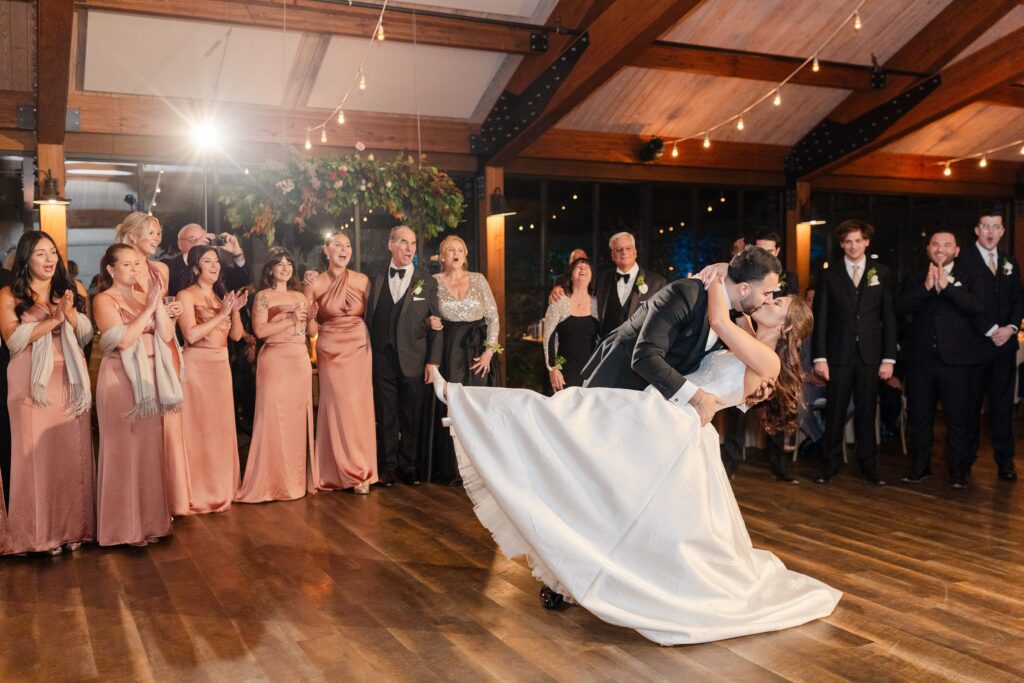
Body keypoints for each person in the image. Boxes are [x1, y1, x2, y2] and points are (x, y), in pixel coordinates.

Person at [431, 268, 839, 645]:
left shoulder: (764, 357)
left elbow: (717, 319)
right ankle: (470, 405)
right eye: (771, 295)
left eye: (778, 303)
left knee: (570, 419)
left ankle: (468, 403)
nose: (770, 300)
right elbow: (729, 317)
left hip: (674, 425)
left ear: (786, 326)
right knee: (587, 452)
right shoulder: (749, 330)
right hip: (666, 415)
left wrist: (714, 279)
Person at [581, 246, 781, 427]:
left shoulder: (730, 315)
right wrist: (697, 398)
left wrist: (754, 388)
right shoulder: (686, 294)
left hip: (652, 407)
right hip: (615, 390)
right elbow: (645, 357)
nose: (769, 300)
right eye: (767, 293)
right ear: (744, 289)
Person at [0, 231, 94, 555]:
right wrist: (52, 321)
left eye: (52, 252)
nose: (49, 259)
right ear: (26, 258)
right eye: (41, 253)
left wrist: (68, 315)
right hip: (30, 383)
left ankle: (72, 531)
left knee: (70, 457)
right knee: (34, 460)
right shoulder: (9, 295)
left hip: (69, 378)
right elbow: (13, 340)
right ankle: (36, 536)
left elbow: (85, 335)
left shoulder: (72, 290)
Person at [93, 244, 180, 546]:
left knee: (147, 451)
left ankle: (151, 522)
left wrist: (158, 305)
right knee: (123, 451)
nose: (134, 269)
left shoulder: (146, 296)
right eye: (127, 264)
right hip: (120, 378)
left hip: (149, 377)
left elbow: (167, 336)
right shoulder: (104, 300)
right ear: (111, 269)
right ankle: (123, 528)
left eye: (137, 264)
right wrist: (148, 310)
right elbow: (125, 339)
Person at [115, 211, 190, 516]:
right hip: (135, 351)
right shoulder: (121, 269)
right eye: (151, 232)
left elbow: (164, 308)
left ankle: (170, 499)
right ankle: (142, 503)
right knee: (142, 428)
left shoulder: (160, 269)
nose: (157, 239)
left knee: (169, 425)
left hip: (165, 344)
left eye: (159, 233)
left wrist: (175, 309)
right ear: (133, 236)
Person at [812, 219, 897, 485]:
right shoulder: (830, 274)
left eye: (858, 241)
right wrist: (820, 357)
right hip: (837, 355)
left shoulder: (881, 273)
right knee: (836, 411)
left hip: (871, 355)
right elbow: (821, 318)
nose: (853, 246)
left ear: (866, 242)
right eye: (848, 241)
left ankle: (868, 465)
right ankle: (830, 464)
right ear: (841, 245)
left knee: (867, 411)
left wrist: (889, 357)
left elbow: (889, 318)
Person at [896, 231, 983, 487]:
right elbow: (899, 307)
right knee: (920, 417)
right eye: (935, 245)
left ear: (956, 251)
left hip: (956, 362)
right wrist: (925, 289)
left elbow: (978, 306)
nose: (940, 249)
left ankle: (957, 472)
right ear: (928, 249)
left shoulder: (969, 276)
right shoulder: (915, 276)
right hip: (921, 361)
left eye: (947, 245)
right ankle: (919, 468)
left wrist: (948, 289)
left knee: (957, 419)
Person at [237, 248, 317, 503]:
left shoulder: (300, 296)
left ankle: (294, 482)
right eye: (280, 264)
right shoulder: (262, 296)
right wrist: (291, 319)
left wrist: (312, 318)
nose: (285, 268)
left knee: (296, 423)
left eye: (289, 263)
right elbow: (260, 331)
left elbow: (310, 331)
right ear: (270, 269)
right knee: (272, 419)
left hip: (298, 360)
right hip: (274, 359)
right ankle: (270, 481)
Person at [364, 226, 443, 487]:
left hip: (414, 357)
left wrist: (433, 361)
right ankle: (388, 466)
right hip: (381, 355)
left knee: (411, 414)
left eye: (412, 244)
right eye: (404, 243)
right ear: (391, 245)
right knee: (386, 413)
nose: (410, 248)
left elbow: (437, 323)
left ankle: (408, 465)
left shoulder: (427, 280)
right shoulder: (373, 276)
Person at [176, 245, 248, 513]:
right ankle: (200, 491)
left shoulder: (221, 296)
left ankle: (222, 487)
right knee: (199, 428)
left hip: (220, 365)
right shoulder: (186, 295)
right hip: (198, 365)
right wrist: (221, 314)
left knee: (220, 428)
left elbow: (237, 337)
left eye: (217, 261)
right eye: (208, 261)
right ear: (196, 267)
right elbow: (191, 335)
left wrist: (235, 310)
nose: (215, 265)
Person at [956, 205, 1023, 484]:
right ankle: (965, 461)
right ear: (976, 230)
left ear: (1002, 231)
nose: (990, 232)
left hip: (1004, 348)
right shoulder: (964, 261)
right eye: (985, 226)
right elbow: (960, 302)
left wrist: (1009, 328)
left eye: (996, 227)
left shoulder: (1009, 261)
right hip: (974, 347)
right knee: (970, 407)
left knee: (1002, 407)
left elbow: (1019, 298)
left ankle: (1005, 461)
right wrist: (990, 329)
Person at [425, 235, 500, 486]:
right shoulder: (433, 282)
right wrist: (429, 321)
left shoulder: (479, 279)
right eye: (450, 250)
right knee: (452, 407)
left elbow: (493, 317)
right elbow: (425, 313)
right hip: (448, 351)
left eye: (460, 249)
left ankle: (482, 468)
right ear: (442, 256)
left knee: (477, 407)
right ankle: (452, 469)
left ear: (465, 255)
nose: (455, 254)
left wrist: (490, 351)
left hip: (478, 351)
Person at [306, 233, 378, 493]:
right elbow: (311, 329)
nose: (343, 249)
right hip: (330, 348)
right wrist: (310, 318)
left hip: (359, 345)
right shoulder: (314, 283)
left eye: (347, 245)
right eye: (337, 244)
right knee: (337, 406)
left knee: (359, 406)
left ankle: (361, 471)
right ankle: (336, 469)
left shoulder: (362, 280)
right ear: (326, 250)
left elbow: (374, 316)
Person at [549, 232, 666, 338]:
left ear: (635, 252)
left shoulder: (657, 283)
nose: (624, 252)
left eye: (628, 248)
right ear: (613, 256)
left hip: (638, 354)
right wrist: (559, 288)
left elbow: (662, 322)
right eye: (619, 249)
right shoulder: (600, 279)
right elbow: (579, 287)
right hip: (606, 352)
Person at [544, 257, 598, 391]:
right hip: (564, 371)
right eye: (578, 266)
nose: (583, 268)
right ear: (570, 276)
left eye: (587, 266)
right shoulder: (559, 300)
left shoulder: (598, 303)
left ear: (591, 277)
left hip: (592, 371)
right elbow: (548, 337)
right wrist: (553, 369)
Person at [163, 223, 249, 297]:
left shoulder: (215, 266)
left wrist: (237, 253)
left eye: (204, 239)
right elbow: (171, 284)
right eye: (193, 239)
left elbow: (241, 280)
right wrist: (193, 252)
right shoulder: (169, 266)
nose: (200, 243)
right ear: (180, 244)